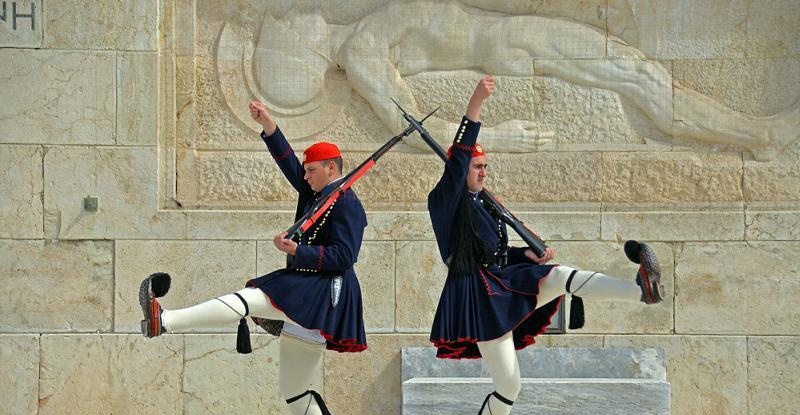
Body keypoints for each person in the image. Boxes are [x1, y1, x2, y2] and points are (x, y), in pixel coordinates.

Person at [427, 75, 664, 415]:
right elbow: (461, 155)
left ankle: (639, 289)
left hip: (498, 280)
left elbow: (493, 253)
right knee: (508, 383)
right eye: (476, 167)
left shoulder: (483, 204)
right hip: (477, 296)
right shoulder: (445, 200)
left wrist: (526, 255)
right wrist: (475, 104)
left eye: (485, 166)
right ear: (459, 171)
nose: (482, 171)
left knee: (558, 277)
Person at [139, 100, 368, 415]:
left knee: (249, 298)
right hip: (311, 293)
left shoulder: (347, 204)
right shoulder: (317, 195)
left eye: (312, 171)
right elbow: (289, 165)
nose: (306, 176)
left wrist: (299, 252)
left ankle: (166, 320)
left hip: (322, 292)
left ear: (332, 169)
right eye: (307, 171)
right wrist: (269, 126)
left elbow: (346, 256)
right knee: (293, 388)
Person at [251, 0, 800, 161]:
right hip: (516, 42)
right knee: (638, 76)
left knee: (637, 72)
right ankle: (760, 136)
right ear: (304, 48)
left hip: (514, 33)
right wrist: (500, 138)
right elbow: (414, 127)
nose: (298, 14)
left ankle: (755, 134)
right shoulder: (364, 48)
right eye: (289, 26)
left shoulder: (367, 29)